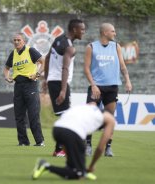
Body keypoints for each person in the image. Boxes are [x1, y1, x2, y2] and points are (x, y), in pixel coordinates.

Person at [84, 23, 132, 157]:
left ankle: (108, 148)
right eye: (113, 31)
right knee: (90, 115)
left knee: (109, 118)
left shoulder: (116, 46)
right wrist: (93, 85)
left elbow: (122, 66)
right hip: (96, 87)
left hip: (112, 87)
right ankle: (88, 145)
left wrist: (127, 80)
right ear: (105, 32)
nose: (115, 33)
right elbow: (86, 68)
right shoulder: (91, 47)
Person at [32, 104, 115, 180]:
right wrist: (91, 166)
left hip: (57, 129)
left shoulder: (89, 109)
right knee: (78, 174)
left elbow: (69, 141)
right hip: (72, 133)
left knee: (76, 162)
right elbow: (100, 148)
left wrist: (71, 160)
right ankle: (46, 166)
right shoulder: (110, 119)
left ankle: (80, 170)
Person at [43, 19, 85, 157]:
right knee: (65, 117)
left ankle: (60, 148)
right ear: (74, 30)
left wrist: (46, 78)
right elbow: (65, 68)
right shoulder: (70, 48)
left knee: (64, 116)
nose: (83, 32)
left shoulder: (59, 39)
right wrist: (63, 90)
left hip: (53, 81)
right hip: (60, 83)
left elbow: (48, 58)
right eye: (82, 29)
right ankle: (59, 149)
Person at [3, 33, 45, 146]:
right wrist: (7, 77)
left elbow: (43, 62)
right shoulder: (13, 53)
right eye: (15, 40)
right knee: (19, 115)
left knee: (33, 115)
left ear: (24, 41)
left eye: (19, 40)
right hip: (18, 86)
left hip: (30, 84)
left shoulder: (31, 50)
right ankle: (23, 142)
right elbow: (6, 68)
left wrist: (37, 74)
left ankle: (40, 141)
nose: (16, 42)